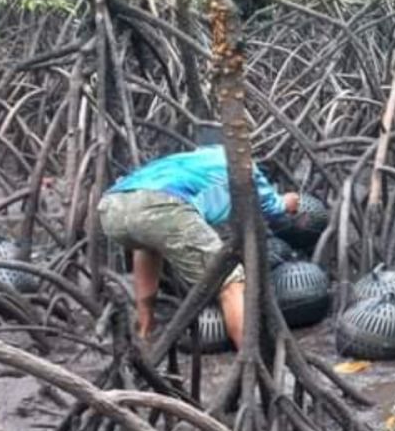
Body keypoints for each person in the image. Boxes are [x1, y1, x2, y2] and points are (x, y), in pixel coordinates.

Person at [97, 129, 298, 349]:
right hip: (162, 207)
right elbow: (273, 207)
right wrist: (291, 200)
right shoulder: (241, 163)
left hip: (111, 207)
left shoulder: (190, 158)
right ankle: (251, 355)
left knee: (147, 245)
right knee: (230, 282)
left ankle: (145, 330)